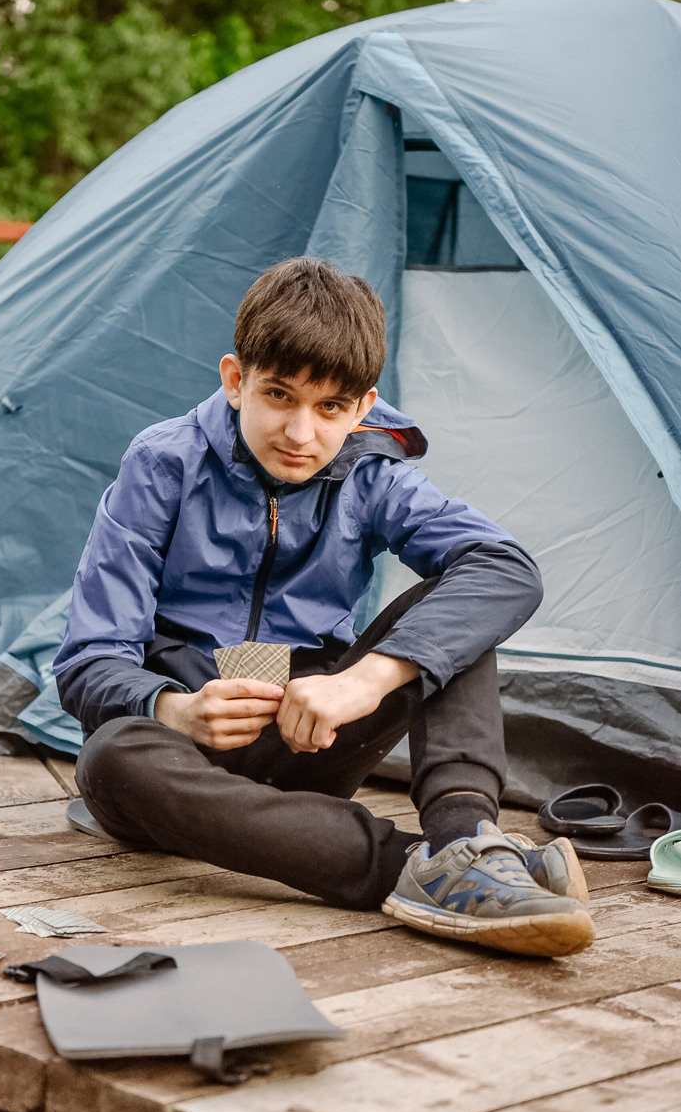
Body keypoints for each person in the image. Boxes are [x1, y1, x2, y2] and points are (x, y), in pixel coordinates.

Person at [54, 256, 594, 958]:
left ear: (362, 408)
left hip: (309, 732)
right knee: (110, 758)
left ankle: (466, 838)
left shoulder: (372, 474)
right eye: (278, 395)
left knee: (457, 611)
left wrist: (359, 682)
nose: (300, 433)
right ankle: (416, 869)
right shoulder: (162, 464)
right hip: (182, 745)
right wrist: (173, 708)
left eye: (330, 407)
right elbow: (89, 660)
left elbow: (503, 568)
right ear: (234, 379)